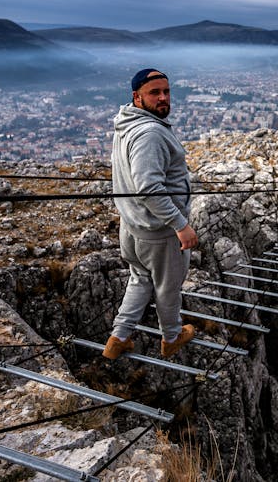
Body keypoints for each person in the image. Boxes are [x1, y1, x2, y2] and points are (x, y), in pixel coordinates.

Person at [102, 68, 199, 360]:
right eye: (154, 93)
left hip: (133, 227)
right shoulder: (150, 133)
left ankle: (119, 337)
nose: (163, 98)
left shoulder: (126, 123)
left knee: (140, 279)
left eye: (166, 92)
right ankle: (172, 337)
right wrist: (180, 224)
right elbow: (148, 188)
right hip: (158, 231)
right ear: (137, 97)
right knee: (169, 287)